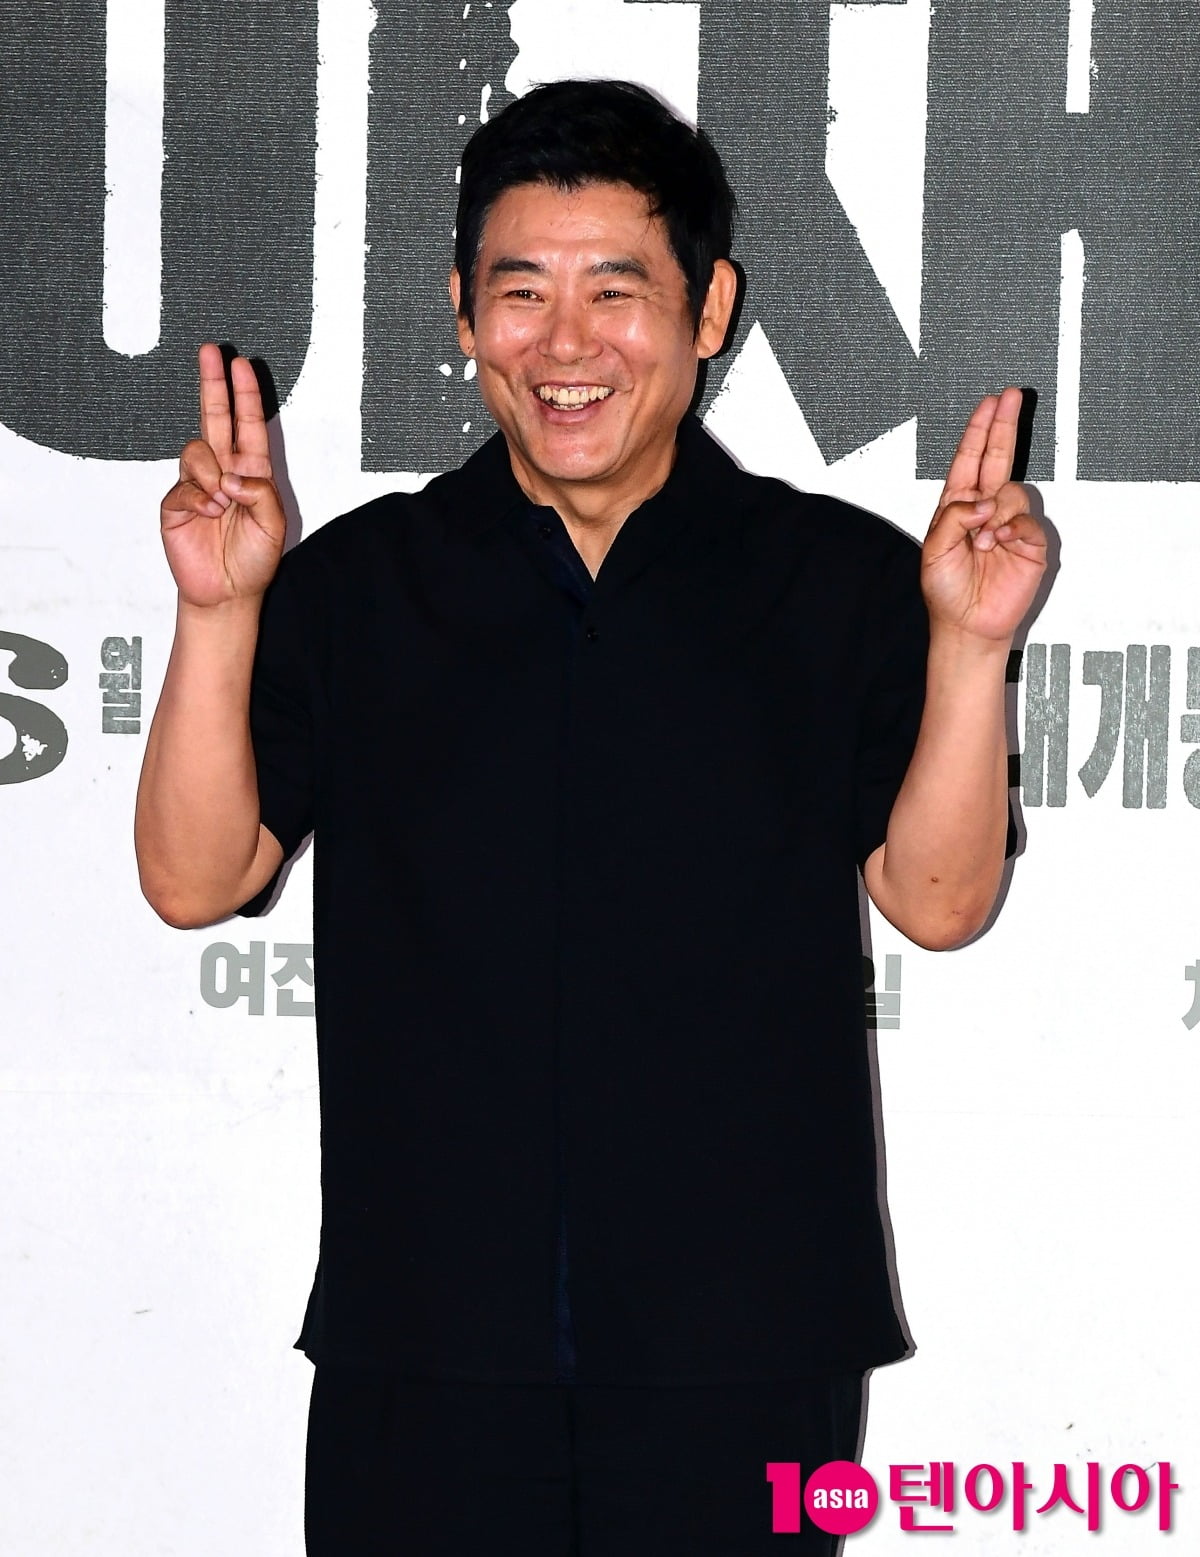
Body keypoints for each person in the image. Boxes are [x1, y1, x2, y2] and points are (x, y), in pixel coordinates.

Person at [135, 79, 1046, 1556]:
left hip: (748, 1343)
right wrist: (218, 611)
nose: (567, 346)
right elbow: (193, 879)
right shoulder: (361, 586)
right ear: (461, 310)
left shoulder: (839, 582)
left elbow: (941, 902)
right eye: (522, 293)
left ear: (708, 309)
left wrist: (972, 646)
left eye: (616, 291)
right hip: (422, 1335)